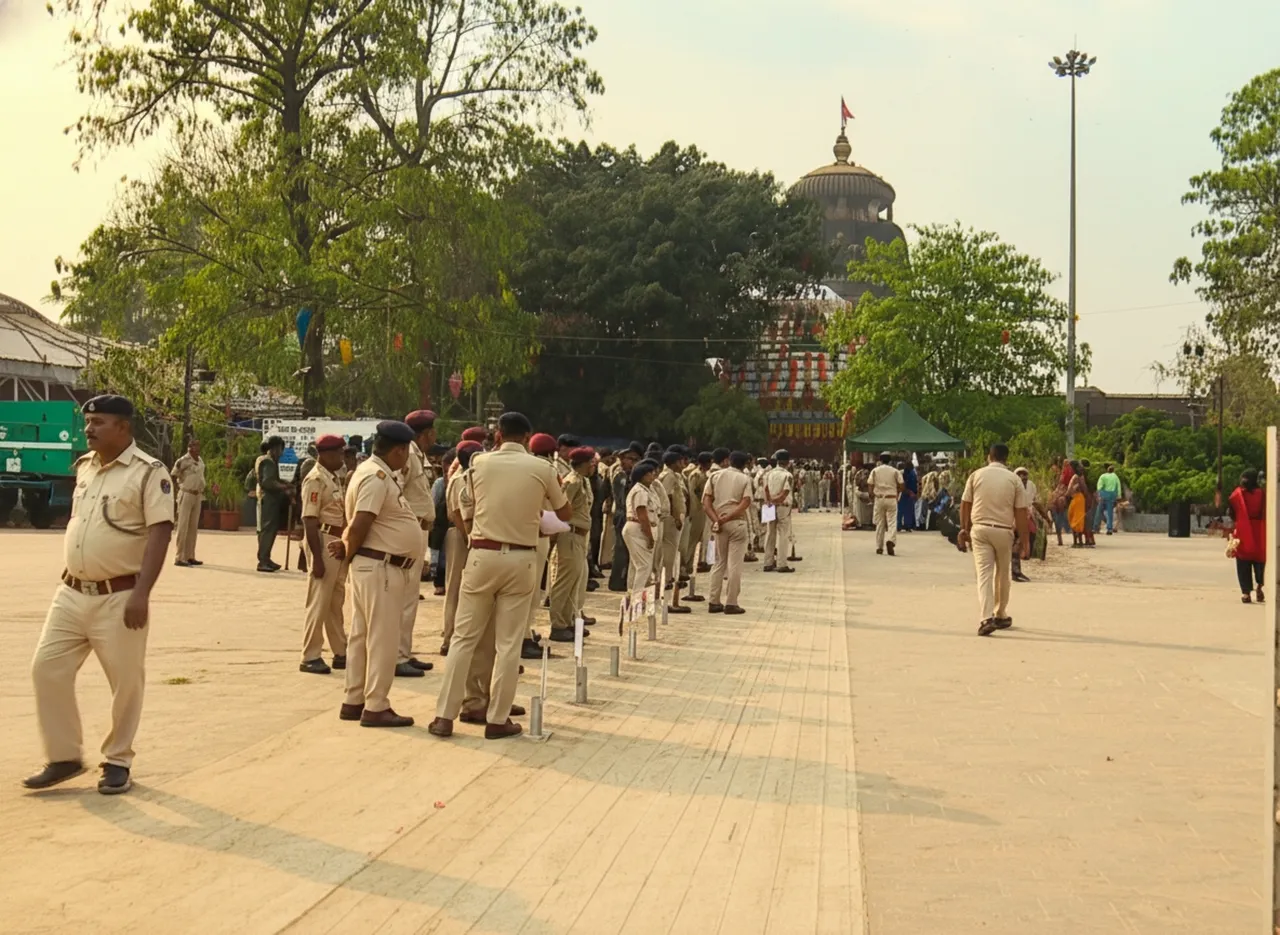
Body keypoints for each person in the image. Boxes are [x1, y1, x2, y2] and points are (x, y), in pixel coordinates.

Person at [25, 394, 174, 794]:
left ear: (123, 427)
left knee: (125, 681)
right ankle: (64, 756)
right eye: (88, 420)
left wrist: (142, 593)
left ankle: (117, 760)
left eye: (99, 422)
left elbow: (161, 531)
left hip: (120, 595)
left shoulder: (148, 472)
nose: (89, 428)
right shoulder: (86, 468)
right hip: (71, 592)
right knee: (46, 668)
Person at [428, 412, 571, 740]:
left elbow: (470, 503)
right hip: (521, 557)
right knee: (508, 644)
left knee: (464, 638)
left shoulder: (478, 463)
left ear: (497, 436)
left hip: (482, 553)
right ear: (527, 438)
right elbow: (563, 512)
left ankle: (444, 716)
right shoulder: (543, 468)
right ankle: (497, 719)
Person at [337, 421, 422, 728]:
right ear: (399, 451)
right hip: (380, 566)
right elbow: (361, 523)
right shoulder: (376, 477)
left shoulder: (371, 472)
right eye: (407, 452)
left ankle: (354, 699)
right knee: (382, 639)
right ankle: (376, 705)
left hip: (372, 565)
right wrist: (347, 556)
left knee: (361, 636)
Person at [958, 443, 1030, 637]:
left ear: (989, 456)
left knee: (984, 575)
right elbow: (1021, 512)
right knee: (1003, 573)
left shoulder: (976, 475)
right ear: (1006, 458)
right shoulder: (1014, 479)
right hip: (1003, 530)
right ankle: (1000, 613)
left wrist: (964, 528)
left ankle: (985, 618)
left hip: (980, 530)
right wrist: (1024, 540)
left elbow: (965, 504)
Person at [299, 434, 349, 674]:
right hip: (322, 538)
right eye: (338, 453)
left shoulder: (334, 478)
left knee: (335, 600)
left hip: (336, 538)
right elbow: (309, 519)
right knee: (319, 599)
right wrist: (317, 559)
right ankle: (310, 655)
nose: (342, 457)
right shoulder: (315, 479)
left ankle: (341, 651)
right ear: (325, 454)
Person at [396, 410, 437, 676]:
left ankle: (405, 652)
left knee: (411, 596)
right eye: (432, 430)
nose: (435, 435)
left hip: (419, 531)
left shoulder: (417, 455)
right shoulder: (408, 455)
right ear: (423, 433)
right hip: (408, 531)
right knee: (404, 598)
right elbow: (398, 492)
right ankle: (398, 656)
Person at [549, 447, 596, 642]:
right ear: (584, 463)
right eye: (591, 462)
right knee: (564, 580)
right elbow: (560, 508)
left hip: (580, 536)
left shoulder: (584, 481)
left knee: (575, 580)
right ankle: (558, 624)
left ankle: (568, 619)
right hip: (569, 535)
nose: (594, 466)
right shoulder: (572, 482)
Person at [440, 442, 483, 654]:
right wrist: (470, 539)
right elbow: (458, 514)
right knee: (455, 587)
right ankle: (449, 637)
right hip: (460, 534)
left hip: (468, 533)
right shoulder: (460, 479)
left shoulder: (470, 477)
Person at [704, 450, 753, 615]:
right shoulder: (745, 478)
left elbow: (706, 502)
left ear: (729, 461)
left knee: (719, 562)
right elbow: (746, 502)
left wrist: (716, 519)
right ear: (744, 464)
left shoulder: (715, 476)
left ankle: (713, 601)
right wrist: (729, 516)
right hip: (737, 521)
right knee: (735, 564)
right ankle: (731, 602)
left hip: (719, 521)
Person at [607, 444, 642, 592]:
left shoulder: (629, 475)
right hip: (623, 515)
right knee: (621, 549)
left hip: (627, 515)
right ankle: (616, 581)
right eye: (630, 459)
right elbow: (622, 499)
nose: (633, 463)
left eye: (636, 459)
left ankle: (623, 578)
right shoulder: (620, 475)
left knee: (627, 550)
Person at [622, 460, 660, 593]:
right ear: (642, 476)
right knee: (644, 566)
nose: (653, 476)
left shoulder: (647, 489)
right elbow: (642, 515)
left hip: (639, 528)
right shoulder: (640, 491)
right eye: (650, 474)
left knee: (637, 565)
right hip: (638, 528)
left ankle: (632, 594)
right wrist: (649, 536)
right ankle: (637, 597)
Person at [255, 436, 291, 572]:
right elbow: (268, 482)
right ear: (276, 448)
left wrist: (284, 482)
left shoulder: (265, 460)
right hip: (269, 500)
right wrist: (284, 488)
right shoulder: (268, 462)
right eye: (281, 449)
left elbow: (273, 478)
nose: (282, 453)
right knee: (268, 530)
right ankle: (263, 560)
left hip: (270, 499)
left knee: (270, 530)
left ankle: (266, 558)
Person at [1230, 469, 1266, 604]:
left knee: (1243, 563)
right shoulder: (1262, 494)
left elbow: (1232, 513)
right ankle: (1259, 587)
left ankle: (1246, 593)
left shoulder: (1237, 495)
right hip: (1260, 531)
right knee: (1261, 563)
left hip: (1243, 531)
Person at [171, 438, 206, 567]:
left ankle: (190, 555)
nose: (198, 448)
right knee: (183, 526)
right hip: (186, 493)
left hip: (197, 495)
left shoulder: (200, 460)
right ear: (189, 447)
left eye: (198, 446)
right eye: (195, 446)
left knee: (193, 526)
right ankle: (179, 557)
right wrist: (176, 491)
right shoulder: (183, 461)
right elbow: (173, 475)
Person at [761, 449, 796, 573]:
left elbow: (765, 489)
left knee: (770, 533)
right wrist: (776, 500)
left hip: (769, 505)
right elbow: (785, 492)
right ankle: (782, 563)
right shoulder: (787, 475)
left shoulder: (768, 474)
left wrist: (769, 500)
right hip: (783, 506)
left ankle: (767, 562)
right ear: (787, 462)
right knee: (783, 534)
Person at [868, 452, 903, 556]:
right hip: (891, 498)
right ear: (890, 460)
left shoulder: (875, 471)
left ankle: (879, 547)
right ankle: (891, 540)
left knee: (880, 523)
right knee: (892, 521)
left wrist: (872, 495)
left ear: (880, 460)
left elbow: (870, 484)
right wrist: (897, 492)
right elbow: (902, 485)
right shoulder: (895, 471)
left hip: (879, 498)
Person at [683, 451, 711, 576]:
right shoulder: (696, 475)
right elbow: (694, 493)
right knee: (692, 539)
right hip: (696, 510)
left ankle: (691, 564)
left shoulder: (703, 474)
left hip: (701, 510)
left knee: (698, 538)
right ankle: (686, 565)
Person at [1065, 460, 1088, 548]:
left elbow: (1070, 489)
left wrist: (1066, 495)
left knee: (1076, 519)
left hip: (1077, 498)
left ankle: (1077, 541)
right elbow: (1084, 488)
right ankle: (1078, 541)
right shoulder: (1079, 477)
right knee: (1077, 519)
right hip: (1079, 498)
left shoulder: (1076, 477)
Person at [1095, 463, 1122, 535]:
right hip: (1111, 495)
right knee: (1110, 513)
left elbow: (1099, 486)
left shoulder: (1102, 476)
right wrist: (1118, 496)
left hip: (1103, 495)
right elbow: (1118, 487)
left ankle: (1095, 528)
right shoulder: (1115, 477)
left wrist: (1100, 494)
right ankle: (1109, 529)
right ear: (1113, 471)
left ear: (1107, 470)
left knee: (1099, 511)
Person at [897, 460, 918, 532]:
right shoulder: (906, 473)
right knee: (903, 510)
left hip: (907, 493)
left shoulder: (910, 473)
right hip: (905, 493)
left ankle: (904, 526)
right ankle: (902, 526)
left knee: (905, 510)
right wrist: (912, 492)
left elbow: (913, 483)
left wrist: (913, 493)